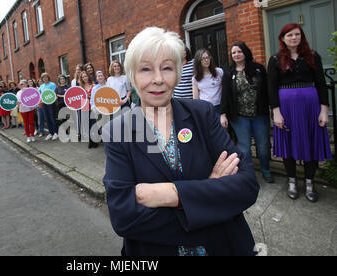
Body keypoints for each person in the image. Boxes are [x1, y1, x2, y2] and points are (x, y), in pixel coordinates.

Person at [103, 27, 259, 256]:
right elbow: (124, 218)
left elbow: (246, 185)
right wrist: (210, 189)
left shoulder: (202, 114)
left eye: (167, 68)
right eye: (145, 69)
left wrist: (172, 194)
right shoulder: (118, 131)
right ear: (132, 76)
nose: (158, 79)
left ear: (177, 73)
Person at [268, 23, 332, 202]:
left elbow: (321, 84)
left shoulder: (312, 56)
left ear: (301, 36)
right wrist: (276, 113)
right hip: (286, 109)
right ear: (282, 38)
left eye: (297, 34)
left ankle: (310, 182)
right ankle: (292, 181)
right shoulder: (275, 59)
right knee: (289, 144)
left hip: (311, 108)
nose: (294, 38)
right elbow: (271, 89)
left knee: (312, 143)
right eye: (289, 35)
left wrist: (324, 110)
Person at [221, 41, 274, 184]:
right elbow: (225, 95)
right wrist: (223, 114)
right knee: (244, 147)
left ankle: (265, 169)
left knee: (263, 145)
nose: (236, 55)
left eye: (239, 51)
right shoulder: (229, 73)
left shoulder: (258, 69)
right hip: (239, 117)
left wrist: (274, 108)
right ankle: (249, 173)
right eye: (233, 53)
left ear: (245, 52)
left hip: (260, 115)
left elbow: (268, 90)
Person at [192, 49, 224, 116]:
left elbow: (225, 89)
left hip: (220, 107)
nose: (206, 60)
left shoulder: (219, 72)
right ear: (198, 61)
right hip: (206, 108)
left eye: (207, 57)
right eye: (203, 58)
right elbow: (195, 98)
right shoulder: (195, 78)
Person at [79, 71, 97, 148]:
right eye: (83, 77)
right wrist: (84, 96)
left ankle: (95, 141)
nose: (85, 78)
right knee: (87, 125)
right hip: (84, 107)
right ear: (81, 78)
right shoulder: (80, 88)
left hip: (93, 107)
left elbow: (97, 96)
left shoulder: (94, 85)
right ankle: (90, 140)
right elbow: (78, 99)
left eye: (86, 76)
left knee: (93, 124)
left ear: (88, 76)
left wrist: (90, 96)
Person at [39, 73, 59, 141]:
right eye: (43, 77)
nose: (45, 78)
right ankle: (51, 133)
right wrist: (40, 101)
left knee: (52, 118)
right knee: (47, 119)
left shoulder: (52, 84)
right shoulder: (41, 86)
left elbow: (54, 94)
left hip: (51, 103)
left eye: (46, 77)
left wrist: (50, 101)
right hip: (44, 104)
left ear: (48, 77)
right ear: (42, 79)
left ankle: (56, 133)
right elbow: (39, 95)